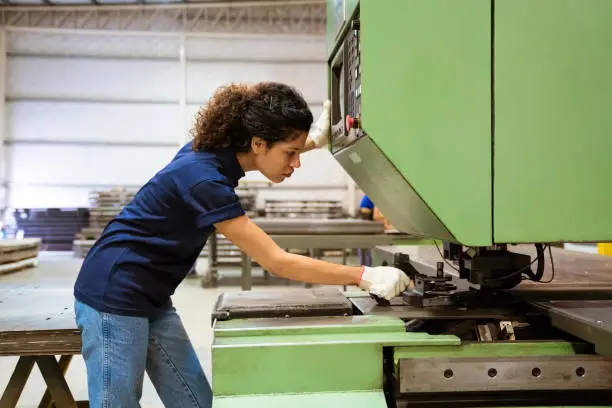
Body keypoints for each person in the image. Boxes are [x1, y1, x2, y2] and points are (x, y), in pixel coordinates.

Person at [73, 82, 411, 408]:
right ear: (259, 143)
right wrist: (362, 275)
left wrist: (314, 141)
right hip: (113, 293)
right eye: (291, 154)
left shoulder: (214, 152)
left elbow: (261, 153)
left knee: (195, 402)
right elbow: (276, 261)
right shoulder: (204, 178)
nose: (296, 164)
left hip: (153, 295)